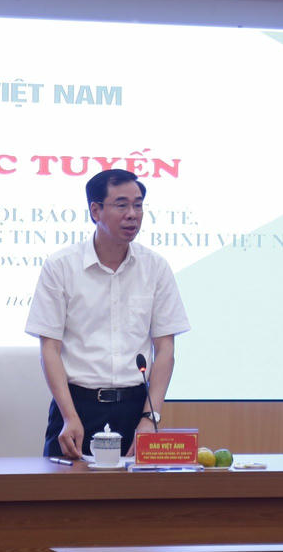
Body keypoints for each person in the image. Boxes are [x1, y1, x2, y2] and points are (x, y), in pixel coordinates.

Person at [24, 168, 190, 459]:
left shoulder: (155, 267)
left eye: (138, 205)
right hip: (77, 407)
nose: (132, 215)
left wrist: (150, 419)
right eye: (121, 205)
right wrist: (69, 416)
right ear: (95, 211)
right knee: (63, 488)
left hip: (136, 409)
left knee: (138, 491)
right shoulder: (61, 266)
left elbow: (165, 349)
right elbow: (50, 349)